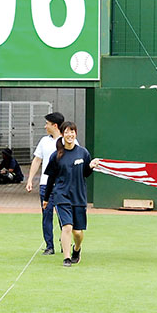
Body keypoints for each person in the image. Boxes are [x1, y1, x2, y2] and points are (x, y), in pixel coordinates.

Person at [42, 121, 99, 268]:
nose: (70, 135)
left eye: (72, 131)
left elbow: (85, 173)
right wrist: (46, 198)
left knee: (78, 232)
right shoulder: (56, 156)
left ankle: (77, 249)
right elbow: (51, 179)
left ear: (76, 134)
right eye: (66, 132)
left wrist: (91, 166)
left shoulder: (83, 153)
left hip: (79, 197)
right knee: (66, 227)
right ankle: (67, 258)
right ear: (62, 134)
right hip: (61, 196)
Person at [26, 112, 65, 255]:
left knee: (64, 216)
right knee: (46, 215)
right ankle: (49, 246)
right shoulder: (44, 141)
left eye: (47, 124)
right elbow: (37, 160)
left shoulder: (68, 140)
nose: (45, 126)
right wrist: (30, 180)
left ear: (54, 125)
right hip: (45, 185)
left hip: (62, 185)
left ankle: (65, 242)